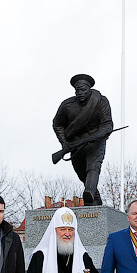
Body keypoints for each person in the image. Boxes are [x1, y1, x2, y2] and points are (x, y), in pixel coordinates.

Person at [51, 73, 113, 205]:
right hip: (75, 144)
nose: (80, 93)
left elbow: (107, 125)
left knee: (93, 166)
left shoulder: (100, 102)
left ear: (89, 89)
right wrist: (64, 143)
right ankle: (94, 197)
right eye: (77, 90)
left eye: (83, 90)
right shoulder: (67, 105)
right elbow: (57, 124)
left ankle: (89, 191)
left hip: (95, 142)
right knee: (81, 172)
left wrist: (93, 138)